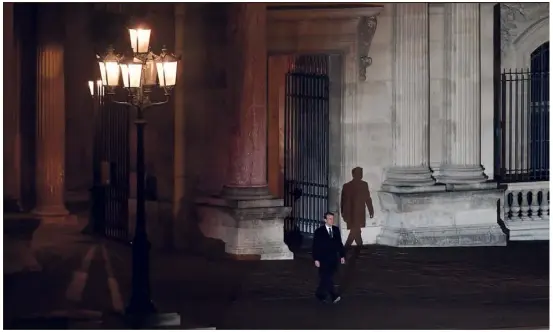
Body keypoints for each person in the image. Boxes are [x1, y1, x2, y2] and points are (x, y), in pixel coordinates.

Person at [312, 212, 345, 304]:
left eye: (332, 218)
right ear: (325, 220)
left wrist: (342, 255)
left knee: (325, 278)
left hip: (333, 258)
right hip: (323, 259)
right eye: (329, 219)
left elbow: (339, 243)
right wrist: (316, 259)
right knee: (328, 277)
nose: (331, 220)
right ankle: (333, 295)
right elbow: (315, 246)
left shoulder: (336, 230)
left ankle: (319, 294)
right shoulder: (319, 232)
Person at [341, 167, 374, 249]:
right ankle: (353, 249)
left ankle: (352, 249)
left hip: (354, 214)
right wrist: (371, 210)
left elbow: (367, 198)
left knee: (355, 231)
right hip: (355, 213)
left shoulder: (348, 186)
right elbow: (367, 199)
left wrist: (371, 210)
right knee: (355, 231)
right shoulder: (361, 185)